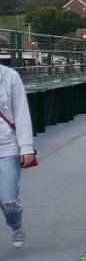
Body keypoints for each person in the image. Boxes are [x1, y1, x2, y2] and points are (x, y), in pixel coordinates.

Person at [0, 63, 36, 248]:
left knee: (8, 200)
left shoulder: (10, 77)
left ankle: (15, 225)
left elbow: (21, 112)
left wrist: (26, 147)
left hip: (6, 147)